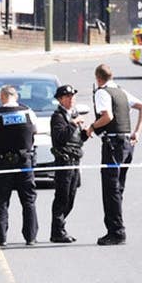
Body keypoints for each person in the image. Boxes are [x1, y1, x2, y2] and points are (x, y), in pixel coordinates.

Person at [89, 64, 142, 246]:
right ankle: (116, 229)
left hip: (113, 145)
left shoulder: (102, 92)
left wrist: (91, 127)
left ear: (98, 78)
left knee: (110, 189)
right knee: (118, 188)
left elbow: (107, 117)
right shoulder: (121, 92)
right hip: (127, 145)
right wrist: (137, 132)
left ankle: (116, 232)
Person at [0, 85, 39, 246]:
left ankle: (0, 238)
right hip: (24, 162)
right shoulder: (28, 112)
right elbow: (35, 130)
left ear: (2, 97)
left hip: (3, 163)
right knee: (28, 199)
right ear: (17, 97)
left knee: (1, 200)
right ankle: (31, 237)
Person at [49, 84, 88, 244]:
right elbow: (61, 137)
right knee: (62, 197)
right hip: (64, 161)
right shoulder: (58, 117)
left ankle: (61, 228)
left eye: (73, 96)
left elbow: (77, 139)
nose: (71, 99)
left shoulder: (73, 114)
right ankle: (57, 231)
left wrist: (85, 132)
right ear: (60, 99)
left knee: (71, 197)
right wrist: (73, 123)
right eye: (68, 97)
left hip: (75, 159)